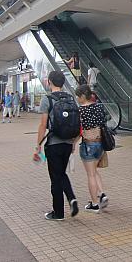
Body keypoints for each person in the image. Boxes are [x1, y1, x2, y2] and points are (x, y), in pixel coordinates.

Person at [33, 71, 78, 221]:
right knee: (61, 173)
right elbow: (76, 122)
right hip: (67, 144)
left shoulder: (47, 99)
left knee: (55, 178)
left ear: (49, 82)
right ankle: (71, 198)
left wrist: (38, 146)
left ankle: (58, 213)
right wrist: (73, 142)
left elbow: (43, 125)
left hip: (53, 144)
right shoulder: (70, 98)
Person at [74, 84, 109, 213]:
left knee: (90, 175)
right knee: (94, 172)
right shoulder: (99, 107)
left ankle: (94, 204)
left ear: (83, 96)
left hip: (88, 144)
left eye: (78, 96)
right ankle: (102, 194)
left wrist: (73, 143)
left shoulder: (80, 110)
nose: (77, 99)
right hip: (100, 144)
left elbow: (79, 130)